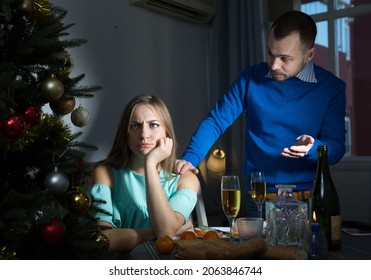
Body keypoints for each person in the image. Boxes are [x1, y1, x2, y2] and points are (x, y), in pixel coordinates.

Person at [176, 11, 346, 215]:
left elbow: (335, 149)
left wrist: (313, 148)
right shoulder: (250, 78)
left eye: (285, 58)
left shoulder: (332, 88)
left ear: (309, 55)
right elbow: (216, 121)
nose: (274, 65)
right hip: (257, 199)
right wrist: (190, 159)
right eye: (270, 54)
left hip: (309, 202)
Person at [87, 94, 200, 252]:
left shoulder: (186, 179)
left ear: (167, 133)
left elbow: (166, 232)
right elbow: (103, 240)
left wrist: (150, 164)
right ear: (125, 134)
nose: (143, 134)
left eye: (153, 125)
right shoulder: (105, 173)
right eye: (135, 126)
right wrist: (156, 232)